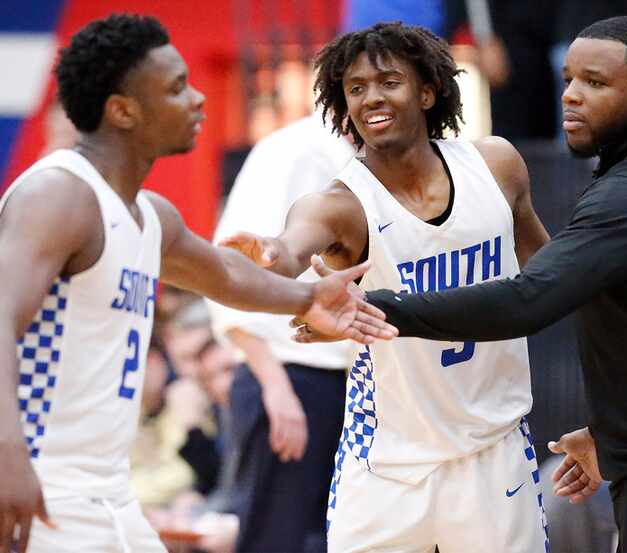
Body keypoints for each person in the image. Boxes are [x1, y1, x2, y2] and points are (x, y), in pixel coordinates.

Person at [311, 16, 627, 553]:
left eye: (596, 84)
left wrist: (375, 308)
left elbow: (529, 298)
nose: (572, 97)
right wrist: (612, 431)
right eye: (569, 80)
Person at [0, 14, 394, 553]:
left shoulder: (149, 215)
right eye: (176, 88)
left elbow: (226, 273)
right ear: (123, 110)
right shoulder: (58, 196)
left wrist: (307, 295)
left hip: (107, 492)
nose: (199, 99)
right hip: (42, 478)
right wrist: (7, 457)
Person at [220, 21, 551, 553]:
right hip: (387, 460)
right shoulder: (339, 204)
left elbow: (551, 274)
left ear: (428, 90)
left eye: (388, 81)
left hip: (493, 449)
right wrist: (263, 255)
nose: (371, 97)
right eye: (355, 88)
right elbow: (287, 250)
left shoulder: (496, 166)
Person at [207, 114, 355, 553]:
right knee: (277, 537)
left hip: (346, 379)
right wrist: (276, 386)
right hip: (291, 376)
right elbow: (230, 271)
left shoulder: (374, 156)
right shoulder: (293, 150)